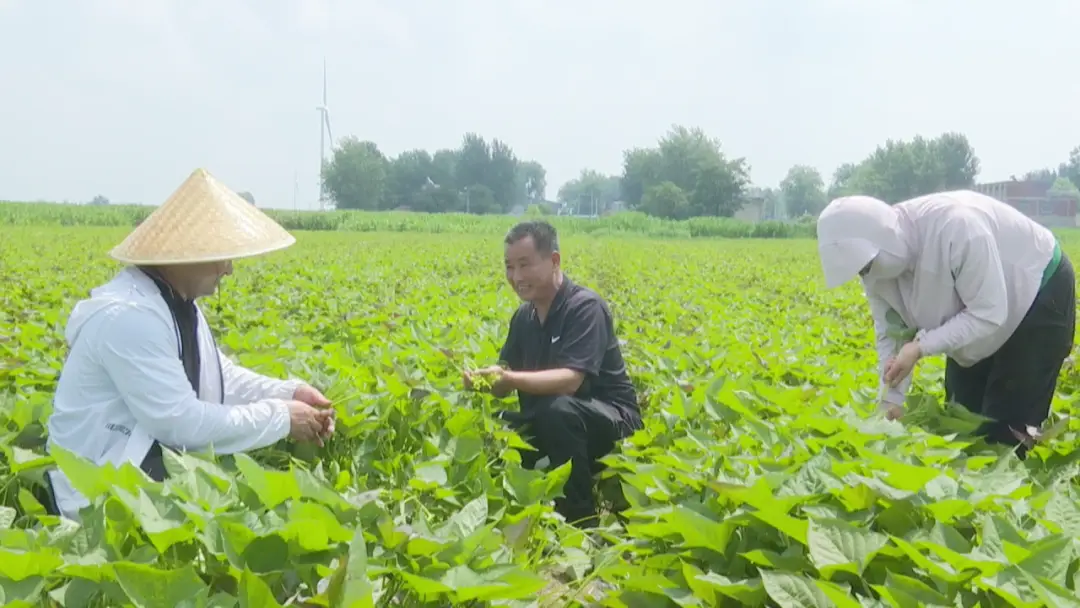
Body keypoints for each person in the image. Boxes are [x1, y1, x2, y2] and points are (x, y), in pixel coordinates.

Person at [43, 168, 336, 521]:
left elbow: (220, 377)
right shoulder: (130, 316)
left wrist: (290, 393)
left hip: (139, 464)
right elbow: (180, 422)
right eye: (222, 255)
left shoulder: (176, 302)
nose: (228, 269)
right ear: (187, 255)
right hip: (95, 495)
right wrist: (281, 418)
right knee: (232, 513)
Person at [816, 189, 1075, 455]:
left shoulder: (957, 227)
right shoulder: (875, 270)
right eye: (860, 271)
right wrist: (891, 399)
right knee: (962, 421)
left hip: (1037, 294)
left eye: (866, 267)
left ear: (884, 242)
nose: (866, 277)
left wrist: (919, 348)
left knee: (1005, 438)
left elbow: (988, 313)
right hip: (975, 320)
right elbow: (891, 331)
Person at [464, 220, 642, 528]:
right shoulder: (524, 317)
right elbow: (506, 376)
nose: (516, 277)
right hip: (557, 420)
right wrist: (486, 381)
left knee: (557, 410)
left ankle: (580, 521)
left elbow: (571, 381)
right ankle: (519, 513)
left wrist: (509, 379)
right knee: (501, 426)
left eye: (525, 265)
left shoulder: (585, 307)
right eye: (509, 266)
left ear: (554, 261)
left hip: (613, 422)